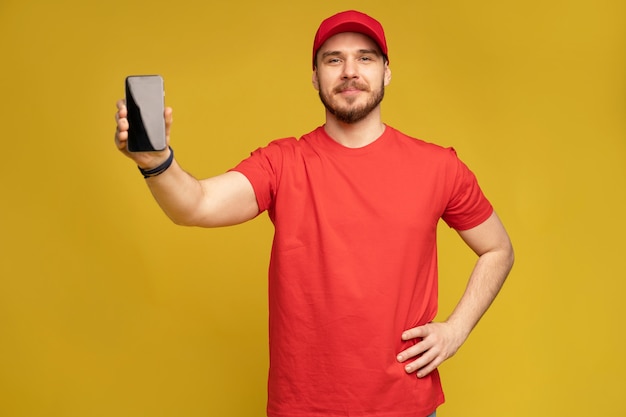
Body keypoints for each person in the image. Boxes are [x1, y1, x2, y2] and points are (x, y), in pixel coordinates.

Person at [114, 10, 514, 417]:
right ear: (315, 76)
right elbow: (195, 205)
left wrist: (456, 330)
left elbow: (498, 249)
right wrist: (156, 162)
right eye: (334, 59)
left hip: (405, 406)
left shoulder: (438, 167)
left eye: (366, 57)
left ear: (387, 72)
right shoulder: (283, 162)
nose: (350, 71)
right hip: (304, 408)